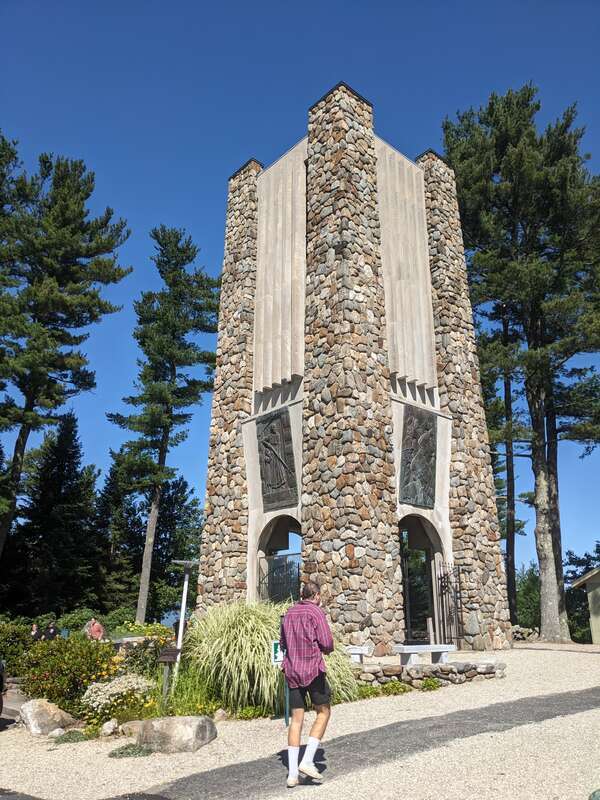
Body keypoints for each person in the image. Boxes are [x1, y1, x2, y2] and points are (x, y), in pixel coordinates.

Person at [280, 580, 334, 788]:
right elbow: (327, 643)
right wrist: (325, 649)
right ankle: (308, 760)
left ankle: (292, 775)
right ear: (317, 596)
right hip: (313, 670)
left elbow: (283, 643)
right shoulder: (315, 612)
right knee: (323, 712)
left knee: (296, 719)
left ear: (302, 594)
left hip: (292, 671)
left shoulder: (289, 613)